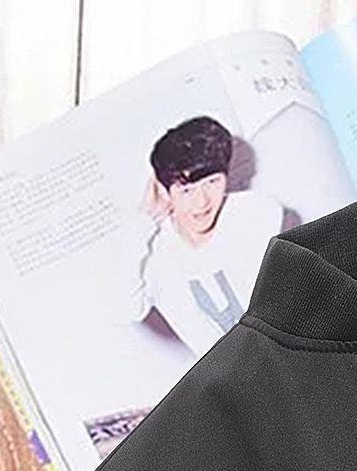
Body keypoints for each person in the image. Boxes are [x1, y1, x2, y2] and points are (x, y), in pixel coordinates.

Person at [121, 116, 287, 354]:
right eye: (186, 190)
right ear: (163, 190)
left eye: (212, 182)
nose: (202, 202)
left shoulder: (255, 213)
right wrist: (141, 222)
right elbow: (127, 310)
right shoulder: (154, 253)